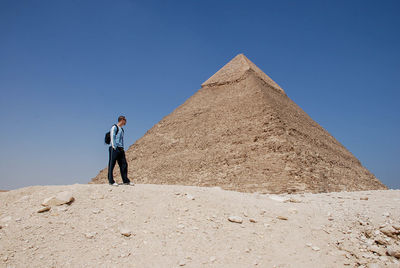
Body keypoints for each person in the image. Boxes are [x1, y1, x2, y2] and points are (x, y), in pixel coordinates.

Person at [108, 115, 134, 186]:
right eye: (125, 120)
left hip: (121, 149)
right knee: (112, 165)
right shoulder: (114, 127)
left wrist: (122, 148)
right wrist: (114, 146)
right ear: (122, 120)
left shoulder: (122, 129)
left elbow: (121, 140)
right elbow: (112, 136)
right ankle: (111, 181)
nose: (126, 122)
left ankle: (125, 180)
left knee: (124, 164)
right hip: (114, 148)